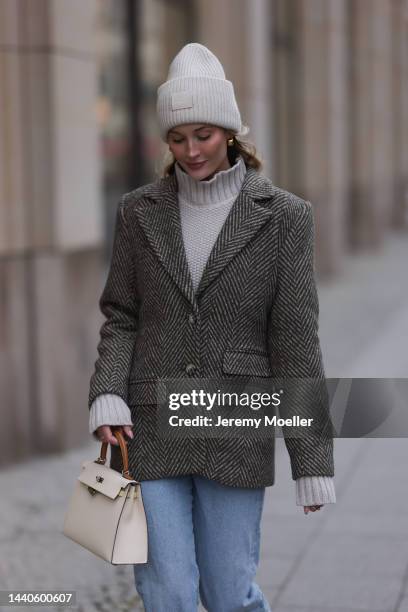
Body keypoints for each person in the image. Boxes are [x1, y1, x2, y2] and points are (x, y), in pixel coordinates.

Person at [88, 42, 336, 612]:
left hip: (235, 425)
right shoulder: (138, 211)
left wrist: (311, 459)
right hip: (149, 426)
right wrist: (107, 392)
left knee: (228, 594)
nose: (190, 150)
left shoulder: (285, 218)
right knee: (167, 591)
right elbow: (121, 313)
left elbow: (296, 340)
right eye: (177, 138)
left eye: (202, 134)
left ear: (229, 131)